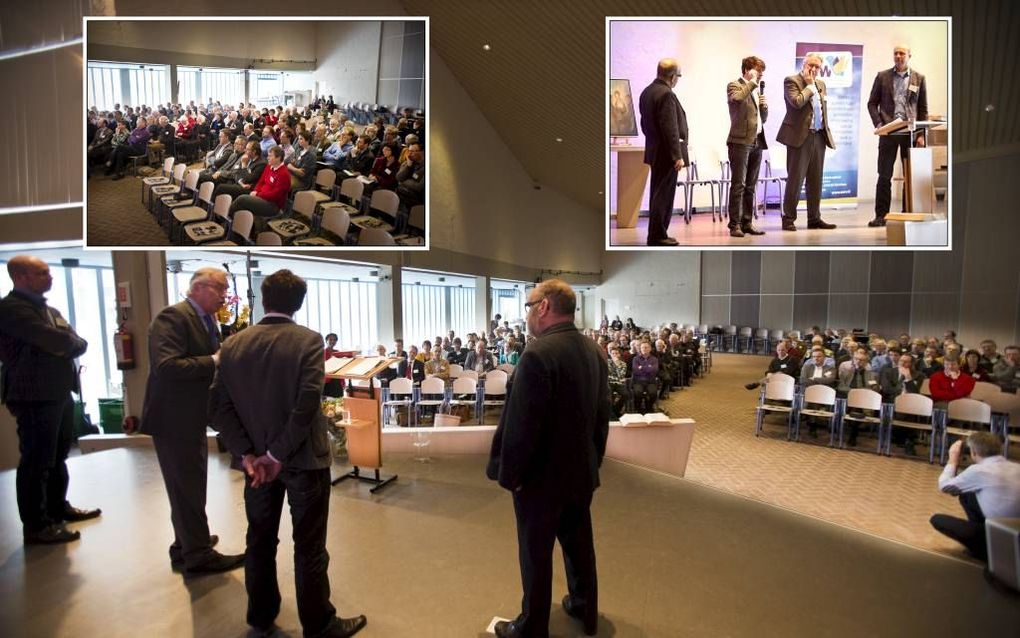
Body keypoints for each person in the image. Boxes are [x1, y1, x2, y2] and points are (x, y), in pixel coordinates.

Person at [209, 270, 367, 637]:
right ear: (298, 304)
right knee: (309, 544)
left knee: (259, 539)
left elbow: (216, 407)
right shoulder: (308, 341)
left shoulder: (233, 345)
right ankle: (319, 623)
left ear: (264, 300)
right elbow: (307, 403)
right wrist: (277, 455)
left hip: (256, 468)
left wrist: (250, 455)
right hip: (303, 462)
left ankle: (261, 615)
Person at [487, 279, 609, 638]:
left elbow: (522, 425)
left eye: (528, 305)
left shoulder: (538, 353)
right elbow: (602, 416)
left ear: (543, 307)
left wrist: (512, 475)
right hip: (580, 472)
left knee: (535, 554)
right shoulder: (592, 350)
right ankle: (585, 609)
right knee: (579, 545)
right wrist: (593, 461)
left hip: (541, 481)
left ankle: (532, 625)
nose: (525, 314)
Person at [138, 267, 245, 577]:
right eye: (221, 290)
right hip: (174, 418)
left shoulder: (206, 319)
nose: (225, 296)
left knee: (189, 486)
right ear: (199, 287)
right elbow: (167, 366)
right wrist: (214, 360)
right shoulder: (172, 318)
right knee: (186, 486)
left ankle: (184, 544)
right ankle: (198, 555)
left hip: (191, 415)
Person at [0, 256, 99, 545]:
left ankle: (57, 509)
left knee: (58, 456)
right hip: (33, 395)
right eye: (42, 273)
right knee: (36, 461)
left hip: (58, 392)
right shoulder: (11, 310)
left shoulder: (46, 309)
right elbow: (59, 341)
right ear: (21, 277)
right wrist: (65, 341)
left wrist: (65, 341)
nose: (50, 277)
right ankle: (36, 525)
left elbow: (77, 341)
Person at [930, 432, 1020, 561]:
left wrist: (953, 459)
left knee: (937, 519)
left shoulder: (978, 471)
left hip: (1002, 537)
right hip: (1016, 530)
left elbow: (945, 486)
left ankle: (985, 550)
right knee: (967, 495)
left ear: (973, 452)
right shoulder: (1017, 467)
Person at [866, 44, 929, 227]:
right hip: (888, 131)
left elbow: (923, 109)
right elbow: (871, 103)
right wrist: (879, 124)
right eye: (896, 53)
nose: (899, 56)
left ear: (909, 55)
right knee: (884, 175)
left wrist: (921, 134)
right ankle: (881, 216)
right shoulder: (882, 76)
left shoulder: (919, 78)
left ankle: (906, 213)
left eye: (902, 53)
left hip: (910, 133)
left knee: (910, 175)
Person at [776, 53, 837, 231]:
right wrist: (809, 86)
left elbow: (821, 109)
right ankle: (788, 218)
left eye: (818, 67)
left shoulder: (821, 84)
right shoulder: (792, 81)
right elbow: (796, 102)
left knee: (815, 180)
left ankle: (814, 218)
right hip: (799, 138)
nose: (814, 69)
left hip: (818, 136)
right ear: (804, 64)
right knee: (795, 179)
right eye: (811, 65)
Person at [638, 58, 688, 246]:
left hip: (654, 151)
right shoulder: (666, 94)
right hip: (667, 154)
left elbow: (644, 125)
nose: (677, 80)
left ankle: (657, 233)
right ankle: (658, 235)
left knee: (657, 193)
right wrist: (677, 155)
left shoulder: (646, 92)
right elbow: (670, 128)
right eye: (678, 77)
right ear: (673, 76)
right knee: (663, 196)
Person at [726, 55, 768, 238]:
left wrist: (764, 108)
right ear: (746, 70)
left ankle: (747, 222)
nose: (760, 76)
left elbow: (761, 119)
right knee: (739, 185)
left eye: (761, 72)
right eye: (758, 71)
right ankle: (734, 225)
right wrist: (751, 83)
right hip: (740, 142)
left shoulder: (756, 90)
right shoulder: (735, 85)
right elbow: (737, 99)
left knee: (750, 186)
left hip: (757, 141)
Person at [229, 145, 290, 227]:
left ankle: (228, 220)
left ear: (278, 158)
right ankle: (239, 227)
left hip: (272, 205)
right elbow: (261, 182)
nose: (267, 158)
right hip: (261, 197)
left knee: (242, 199)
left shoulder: (284, 174)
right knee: (243, 204)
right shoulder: (269, 166)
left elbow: (275, 195)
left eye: (270, 156)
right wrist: (256, 191)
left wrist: (258, 195)